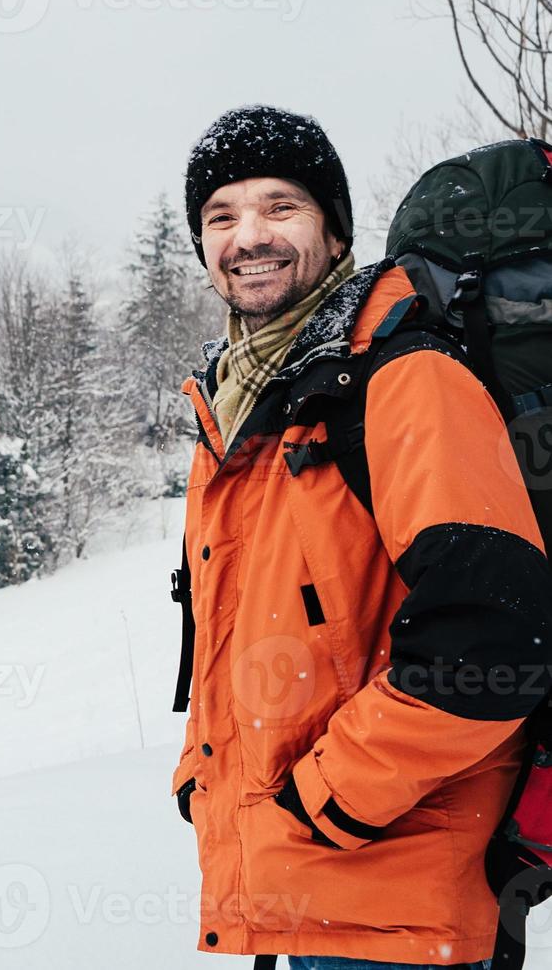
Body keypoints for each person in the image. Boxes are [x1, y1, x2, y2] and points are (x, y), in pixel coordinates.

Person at [170, 104, 552, 970]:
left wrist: (325, 802)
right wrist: (205, 779)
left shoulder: (403, 379)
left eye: (279, 207)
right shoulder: (241, 407)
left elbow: (494, 645)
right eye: (221, 217)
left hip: (399, 902)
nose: (247, 237)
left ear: (335, 232)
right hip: (309, 889)